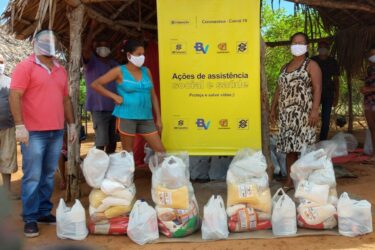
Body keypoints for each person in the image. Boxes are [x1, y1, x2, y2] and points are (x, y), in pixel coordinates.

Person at [9, 29, 77, 238]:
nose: (50, 44)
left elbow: (65, 99)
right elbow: (15, 96)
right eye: (45, 40)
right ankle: (30, 218)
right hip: (33, 133)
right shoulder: (25, 67)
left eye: (52, 41)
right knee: (32, 177)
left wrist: (72, 124)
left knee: (48, 175)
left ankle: (43, 212)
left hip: (56, 131)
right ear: (36, 44)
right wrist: (20, 126)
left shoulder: (60, 70)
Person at [92, 39, 165, 153]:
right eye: (139, 54)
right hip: (126, 116)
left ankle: (160, 170)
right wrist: (114, 97)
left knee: (161, 151)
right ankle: (129, 171)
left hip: (146, 117)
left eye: (143, 54)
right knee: (128, 154)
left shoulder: (147, 71)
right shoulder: (119, 71)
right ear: (129, 55)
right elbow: (96, 84)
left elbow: (153, 95)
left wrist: (159, 119)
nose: (142, 57)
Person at [270, 32, 322, 190]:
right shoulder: (284, 67)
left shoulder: (311, 65)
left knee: (305, 149)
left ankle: (307, 183)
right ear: (290, 46)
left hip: (304, 115)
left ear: (307, 46)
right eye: (294, 42)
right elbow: (279, 89)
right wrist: (273, 108)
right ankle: (290, 181)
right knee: (289, 150)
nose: (297, 45)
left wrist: (314, 111)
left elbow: (318, 88)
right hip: (287, 115)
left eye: (301, 42)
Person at [83, 20, 118, 154]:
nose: (103, 48)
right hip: (98, 109)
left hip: (114, 109)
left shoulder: (113, 64)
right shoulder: (91, 62)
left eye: (106, 46)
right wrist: (92, 29)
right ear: (95, 47)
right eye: (100, 46)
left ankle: (110, 166)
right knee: (101, 142)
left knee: (112, 142)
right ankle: (99, 168)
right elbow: (85, 50)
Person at [311, 41, 340, 140]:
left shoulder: (333, 62)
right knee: (311, 115)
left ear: (328, 49)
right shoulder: (312, 61)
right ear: (318, 48)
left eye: (325, 47)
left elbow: (336, 80)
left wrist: (336, 96)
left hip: (328, 93)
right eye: (321, 47)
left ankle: (323, 140)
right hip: (313, 93)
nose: (322, 49)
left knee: (326, 118)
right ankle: (310, 138)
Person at [0, 53, 19, 200]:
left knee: (7, 158)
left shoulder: (10, 81)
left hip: (8, 126)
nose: (0, 64)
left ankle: (6, 191)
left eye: (1, 61)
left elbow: (15, 103)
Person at [361, 45, 375, 162]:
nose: (373, 57)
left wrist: (369, 90)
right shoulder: (369, 69)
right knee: (372, 128)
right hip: (369, 102)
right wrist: (365, 89)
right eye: (371, 55)